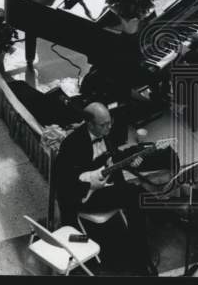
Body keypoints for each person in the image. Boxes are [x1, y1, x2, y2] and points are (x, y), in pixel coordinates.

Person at [53, 103, 157, 276]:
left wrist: (131, 160)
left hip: (106, 186)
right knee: (136, 196)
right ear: (90, 124)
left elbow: (114, 157)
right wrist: (90, 185)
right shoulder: (72, 144)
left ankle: (139, 249)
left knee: (136, 194)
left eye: (110, 122)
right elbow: (63, 183)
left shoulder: (107, 132)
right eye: (103, 125)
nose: (109, 127)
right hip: (85, 197)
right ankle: (140, 259)